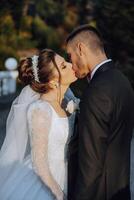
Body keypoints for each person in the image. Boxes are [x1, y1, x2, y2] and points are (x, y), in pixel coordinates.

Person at [66, 25, 134, 200]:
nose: (71, 63)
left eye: (70, 56)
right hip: (119, 189)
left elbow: (91, 162)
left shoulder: (96, 91)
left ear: (80, 49)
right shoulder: (121, 80)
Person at [0, 49, 78, 200]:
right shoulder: (40, 110)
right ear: (52, 81)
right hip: (44, 181)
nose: (70, 65)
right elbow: (39, 163)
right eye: (63, 66)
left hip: (65, 174)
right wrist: (59, 195)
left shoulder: (66, 103)